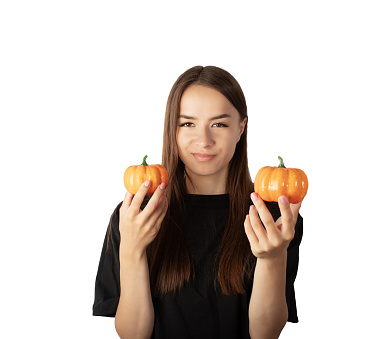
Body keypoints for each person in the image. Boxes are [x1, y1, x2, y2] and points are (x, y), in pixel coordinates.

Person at [92, 65, 303, 339]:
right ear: (172, 128)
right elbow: (133, 335)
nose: (204, 141)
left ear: (241, 128)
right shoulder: (136, 214)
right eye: (188, 123)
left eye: (219, 124)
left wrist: (272, 258)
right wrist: (132, 250)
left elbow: (265, 334)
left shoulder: (272, 218)